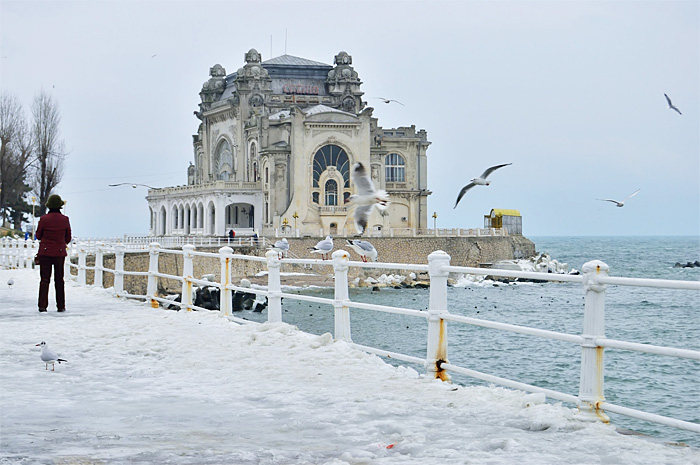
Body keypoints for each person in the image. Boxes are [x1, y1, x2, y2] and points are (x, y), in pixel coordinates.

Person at [35, 194, 72, 313]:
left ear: (49, 206)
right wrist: (60, 243)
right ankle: (60, 306)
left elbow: (38, 235)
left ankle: (42, 306)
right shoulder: (65, 219)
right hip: (59, 253)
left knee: (45, 279)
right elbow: (68, 237)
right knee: (59, 280)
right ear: (60, 206)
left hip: (45, 252)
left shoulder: (44, 219)